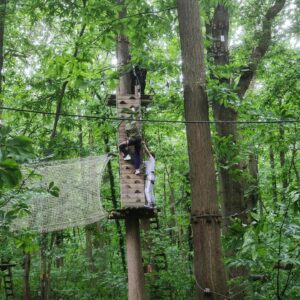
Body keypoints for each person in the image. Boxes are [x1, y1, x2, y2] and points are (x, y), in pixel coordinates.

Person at [143, 143, 155, 208]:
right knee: (150, 191)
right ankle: (152, 203)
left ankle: (150, 203)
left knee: (147, 190)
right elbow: (142, 162)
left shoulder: (152, 159)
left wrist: (144, 145)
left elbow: (147, 152)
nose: (148, 155)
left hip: (150, 176)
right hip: (151, 176)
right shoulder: (149, 162)